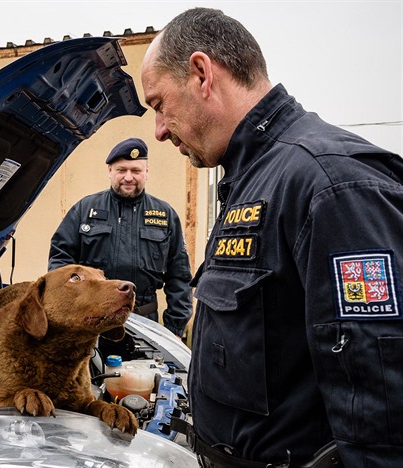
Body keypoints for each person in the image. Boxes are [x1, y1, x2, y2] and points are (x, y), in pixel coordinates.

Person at [141, 7, 403, 468]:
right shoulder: (254, 179)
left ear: (202, 73)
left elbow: (382, 395)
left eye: (160, 105)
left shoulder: (330, 183)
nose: (159, 130)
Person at [48, 137, 193, 338]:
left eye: (136, 171)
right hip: (93, 322)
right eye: (121, 170)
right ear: (110, 171)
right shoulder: (84, 209)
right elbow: (60, 263)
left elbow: (180, 277)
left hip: (146, 325)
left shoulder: (165, 215)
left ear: (147, 173)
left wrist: (174, 330)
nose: (128, 177)